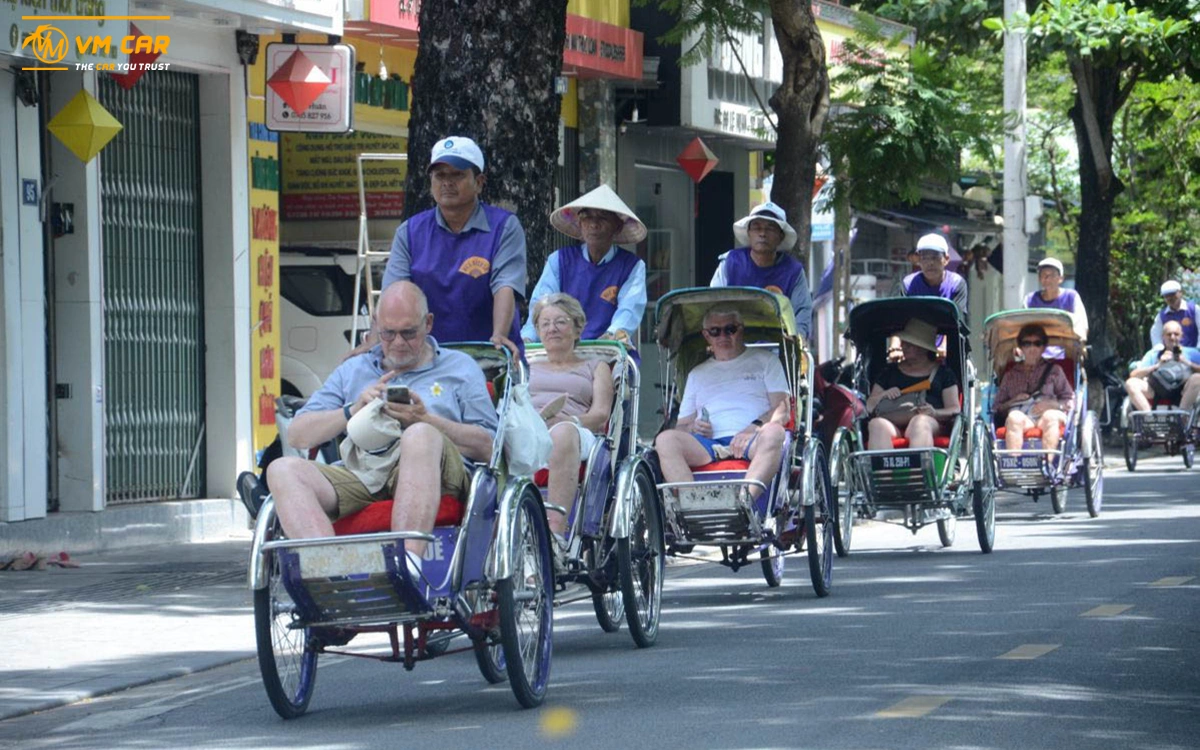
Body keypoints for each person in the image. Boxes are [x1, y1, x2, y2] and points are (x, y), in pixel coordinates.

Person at [265, 282, 498, 570]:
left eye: (409, 333)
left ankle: (408, 568)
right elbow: (298, 434)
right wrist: (352, 410)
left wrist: (426, 420)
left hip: (437, 471)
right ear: (376, 327)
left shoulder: (460, 368)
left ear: (428, 324)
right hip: (366, 472)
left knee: (419, 435)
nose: (398, 343)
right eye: (388, 333)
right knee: (282, 469)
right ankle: (328, 574)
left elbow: (490, 446)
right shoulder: (354, 370)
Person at [382, 135, 526, 356]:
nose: (447, 182)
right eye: (440, 175)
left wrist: (499, 336)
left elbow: (505, 286)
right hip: (426, 358)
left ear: (479, 182)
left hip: (487, 355)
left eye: (457, 174)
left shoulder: (504, 227)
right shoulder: (409, 232)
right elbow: (393, 294)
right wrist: (375, 338)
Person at [654, 307, 790, 498]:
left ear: (741, 330)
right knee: (665, 440)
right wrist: (693, 427)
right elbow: (681, 426)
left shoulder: (766, 361)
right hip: (707, 443)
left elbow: (782, 410)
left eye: (730, 329)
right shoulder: (696, 374)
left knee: (775, 432)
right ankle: (692, 504)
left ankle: (745, 502)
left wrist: (754, 428)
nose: (722, 336)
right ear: (706, 335)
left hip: (753, 439)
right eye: (715, 331)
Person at [527, 293, 614, 541]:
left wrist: (569, 422)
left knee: (562, 433)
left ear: (577, 328)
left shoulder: (595, 366)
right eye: (545, 324)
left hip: (578, 433)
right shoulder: (527, 366)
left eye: (560, 322)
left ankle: (555, 536)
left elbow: (600, 414)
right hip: (531, 431)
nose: (552, 329)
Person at [522, 185, 648, 348]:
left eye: (602, 218)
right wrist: (528, 340)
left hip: (608, 350)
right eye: (587, 217)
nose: (593, 224)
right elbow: (541, 306)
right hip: (563, 350)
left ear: (617, 227)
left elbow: (628, 311)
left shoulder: (632, 266)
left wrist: (612, 335)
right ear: (580, 224)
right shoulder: (559, 260)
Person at [710, 202, 813, 340]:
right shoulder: (729, 262)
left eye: (770, 229)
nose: (762, 233)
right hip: (732, 347)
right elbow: (713, 304)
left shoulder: (794, 271)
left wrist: (797, 338)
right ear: (749, 233)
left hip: (778, 351)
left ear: (781, 236)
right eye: (756, 227)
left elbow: (802, 311)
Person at [866, 317, 961, 450]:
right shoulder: (889, 372)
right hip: (893, 421)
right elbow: (869, 405)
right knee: (876, 424)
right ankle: (882, 470)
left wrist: (934, 412)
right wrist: (884, 394)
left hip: (931, 422)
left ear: (923, 348)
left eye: (909, 344)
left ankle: (921, 470)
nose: (903, 346)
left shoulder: (944, 374)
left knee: (920, 422)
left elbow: (955, 409)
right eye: (903, 342)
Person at [993, 324, 1075, 451]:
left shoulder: (1055, 371)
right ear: (1020, 347)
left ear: (1043, 347)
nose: (1032, 348)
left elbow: (1070, 400)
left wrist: (1053, 404)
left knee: (1050, 417)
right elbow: (997, 408)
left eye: (1037, 343)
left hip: (1049, 414)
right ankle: (1014, 467)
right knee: (1014, 417)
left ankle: (1049, 467)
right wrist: (1013, 401)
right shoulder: (1011, 375)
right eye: (1027, 344)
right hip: (1024, 416)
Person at [1125, 320, 1200, 413]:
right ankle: (1148, 417)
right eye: (1169, 334)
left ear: (1181, 336)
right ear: (1163, 337)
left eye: (1176, 334)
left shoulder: (1192, 353)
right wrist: (1157, 365)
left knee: (1197, 378)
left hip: (1183, 391)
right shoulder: (1153, 354)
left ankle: (1182, 417)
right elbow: (1134, 375)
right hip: (1157, 390)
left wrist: (1186, 362)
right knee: (1131, 383)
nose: (1172, 337)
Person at [897, 233, 968, 320]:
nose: (930, 263)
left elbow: (959, 321)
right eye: (925, 258)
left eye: (935, 257)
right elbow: (901, 318)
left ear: (946, 259)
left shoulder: (956, 283)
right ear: (918, 260)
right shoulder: (908, 284)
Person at [1025, 257, 1088, 341]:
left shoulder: (1071, 297)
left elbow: (1082, 326)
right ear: (1039, 278)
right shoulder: (1030, 299)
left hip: (1066, 349)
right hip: (1036, 348)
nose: (1047, 279)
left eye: (1052, 275)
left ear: (1060, 278)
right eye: (1043, 275)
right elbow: (1023, 327)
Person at [1149, 280, 1198, 348]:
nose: (1170, 298)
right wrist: (1160, 351)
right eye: (1166, 296)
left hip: (1193, 351)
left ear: (1180, 293)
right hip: (1170, 353)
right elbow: (1156, 335)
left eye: (1172, 294)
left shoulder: (1194, 310)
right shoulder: (1161, 316)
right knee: (1149, 356)